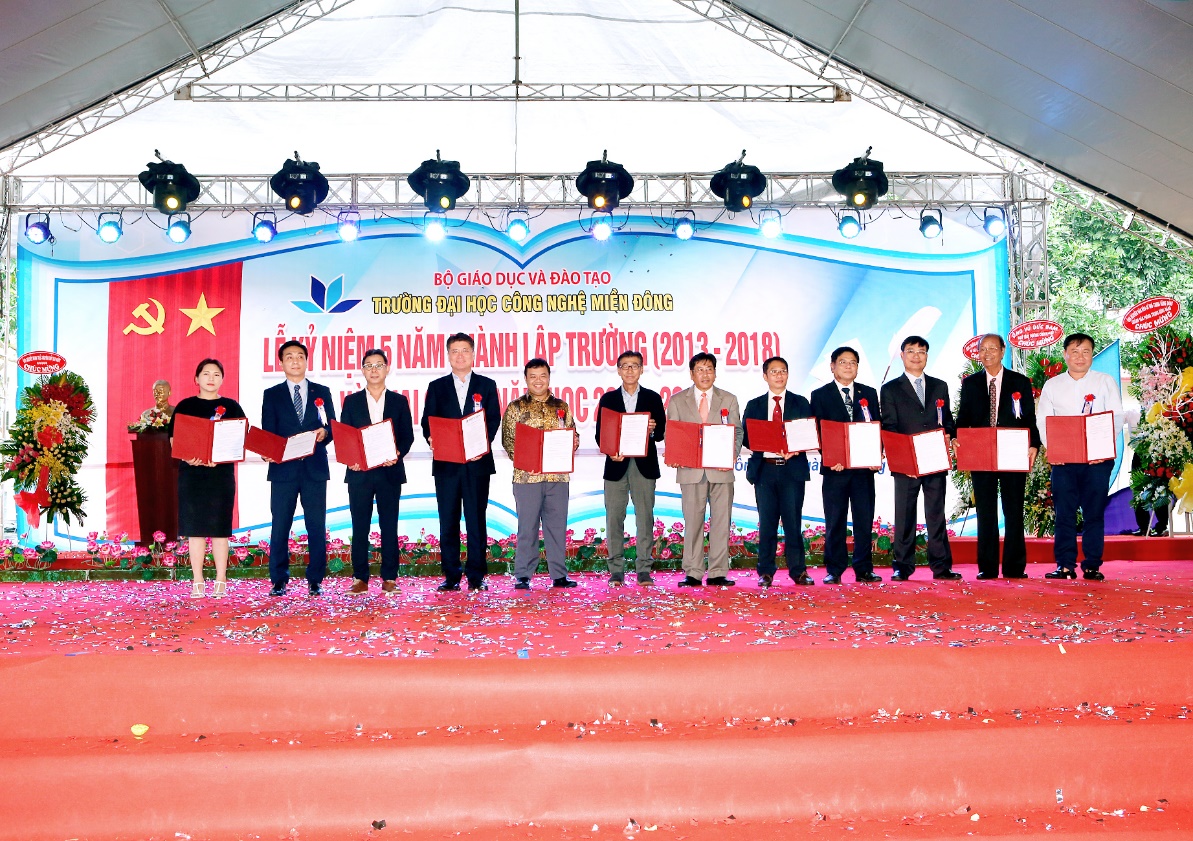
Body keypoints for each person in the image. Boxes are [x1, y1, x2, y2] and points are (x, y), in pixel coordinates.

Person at [1037, 332, 1124, 581]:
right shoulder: (1053, 385)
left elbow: (1116, 416)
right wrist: (1053, 449)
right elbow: (1043, 420)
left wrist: (1102, 449)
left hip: (1097, 461)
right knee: (1064, 513)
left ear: (1092, 355)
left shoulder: (1105, 382)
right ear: (1065, 355)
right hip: (1064, 461)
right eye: (1074, 352)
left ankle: (1092, 565)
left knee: (1093, 513)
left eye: (1086, 351)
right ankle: (1065, 565)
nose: (1080, 357)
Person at [954, 333, 1040, 579]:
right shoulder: (970, 384)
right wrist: (958, 438)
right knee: (986, 511)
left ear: (1003, 351)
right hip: (981, 452)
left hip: (1013, 451)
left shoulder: (1019, 381)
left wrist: (1034, 444)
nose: (988, 353)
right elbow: (963, 418)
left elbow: (1029, 418)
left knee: (1013, 510)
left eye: (993, 348)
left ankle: (1014, 567)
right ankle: (987, 567)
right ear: (978, 354)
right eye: (983, 349)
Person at [422, 333, 502, 592]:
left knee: (476, 519)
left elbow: (493, 419)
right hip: (447, 465)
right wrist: (431, 436)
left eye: (465, 350)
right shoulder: (437, 386)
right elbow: (427, 421)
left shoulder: (486, 385)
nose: (460, 355)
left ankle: (476, 575)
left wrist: (482, 445)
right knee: (448, 520)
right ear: (448, 355)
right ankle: (451, 574)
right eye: (455, 351)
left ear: (473, 354)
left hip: (477, 464)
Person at [879, 335, 962, 581]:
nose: (916, 356)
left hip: (934, 457)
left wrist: (949, 434)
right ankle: (902, 566)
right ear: (902, 355)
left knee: (936, 513)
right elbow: (890, 426)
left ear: (927, 356)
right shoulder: (890, 389)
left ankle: (941, 566)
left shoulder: (940, 386)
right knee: (904, 514)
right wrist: (902, 458)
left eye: (922, 351)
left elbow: (947, 420)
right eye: (911, 351)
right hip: (906, 461)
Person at [262, 340, 335, 597]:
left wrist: (325, 432)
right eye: (289, 357)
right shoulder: (272, 394)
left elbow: (331, 426)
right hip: (284, 470)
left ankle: (315, 579)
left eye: (300, 356)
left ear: (306, 361)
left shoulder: (321, 391)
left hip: (314, 468)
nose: (295, 361)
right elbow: (269, 432)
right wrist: (267, 450)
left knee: (316, 525)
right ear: (281, 363)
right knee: (280, 525)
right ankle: (278, 579)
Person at [340, 349, 415, 595]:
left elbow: (407, 436)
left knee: (389, 526)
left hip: (389, 472)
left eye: (379, 365)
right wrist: (351, 459)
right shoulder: (351, 401)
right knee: (359, 526)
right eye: (369, 365)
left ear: (387, 369)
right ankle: (360, 578)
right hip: (359, 473)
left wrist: (397, 454)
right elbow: (345, 437)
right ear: (362, 370)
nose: (374, 370)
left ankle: (389, 578)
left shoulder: (399, 401)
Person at [169, 359, 245, 599]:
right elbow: (174, 439)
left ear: (222, 379)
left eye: (216, 374)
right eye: (206, 373)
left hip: (220, 475)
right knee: (195, 530)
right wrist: (187, 456)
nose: (211, 378)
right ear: (196, 378)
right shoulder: (185, 406)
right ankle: (198, 580)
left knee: (220, 530)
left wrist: (221, 458)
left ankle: (221, 580)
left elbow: (239, 439)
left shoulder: (232, 407)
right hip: (192, 475)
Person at [502, 358, 580, 589]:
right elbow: (508, 442)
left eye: (542, 376)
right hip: (527, 477)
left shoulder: (561, 406)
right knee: (527, 527)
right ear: (526, 379)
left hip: (558, 477)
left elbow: (572, 433)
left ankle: (559, 575)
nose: (538, 381)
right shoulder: (515, 408)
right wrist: (527, 461)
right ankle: (523, 575)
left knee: (557, 527)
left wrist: (574, 441)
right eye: (533, 376)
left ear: (549, 378)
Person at [665, 353, 743, 587]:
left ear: (715, 373)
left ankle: (718, 571)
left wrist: (730, 454)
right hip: (691, 470)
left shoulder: (728, 399)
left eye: (709, 369)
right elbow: (672, 433)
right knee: (693, 522)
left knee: (721, 521)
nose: (705, 374)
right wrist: (675, 455)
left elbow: (737, 431)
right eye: (700, 369)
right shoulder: (678, 400)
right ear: (692, 374)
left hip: (721, 470)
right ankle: (693, 571)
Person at [809, 346, 883, 584]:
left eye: (853, 362)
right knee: (835, 521)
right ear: (832, 367)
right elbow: (817, 432)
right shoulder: (820, 395)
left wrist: (876, 455)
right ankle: (835, 569)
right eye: (843, 362)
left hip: (863, 470)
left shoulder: (868, 393)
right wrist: (831, 457)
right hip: (835, 470)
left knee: (864, 520)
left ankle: (864, 568)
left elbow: (877, 427)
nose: (848, 366)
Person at [594, 350, 667, 586]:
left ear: (642, 369)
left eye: (634, 365)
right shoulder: (608, 399)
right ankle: (616, 570)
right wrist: (610, 450)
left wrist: (653, 429)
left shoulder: (652, 398)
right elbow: (600, 435)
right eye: (625, 366)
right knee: (614, 518)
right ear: (618, 370)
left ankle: (643, 569)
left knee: (645, 518)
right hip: (616, 464)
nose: (629, 370)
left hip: (644, 465)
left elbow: (661, 433)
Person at [742, 356, 813, 587]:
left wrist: (796, 448)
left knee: (793, 523)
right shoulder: (754, 405)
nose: (779, 375)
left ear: (788, 374)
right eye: (773, 371)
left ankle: (799, 571)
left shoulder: (800, 402)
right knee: (767, 523)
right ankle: (765, 572)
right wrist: (764, 443)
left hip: (792, 469)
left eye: (783, 371)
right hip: (765, 470)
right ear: (765, 376)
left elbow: (809, 432)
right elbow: (746, 436)